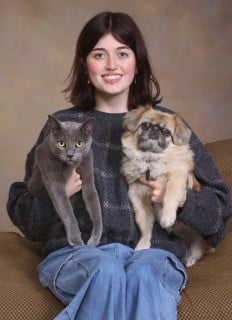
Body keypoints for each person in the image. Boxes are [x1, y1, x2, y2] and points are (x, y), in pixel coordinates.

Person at [7, 11, 232, 320]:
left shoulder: (166, 124)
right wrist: (55, 194)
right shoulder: (62, 127)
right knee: (107, 269)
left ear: (136, 64)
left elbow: (219, 213)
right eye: (100, 54)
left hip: (153, 256)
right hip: (79, 256)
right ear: (85, 65)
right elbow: (26, 218)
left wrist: (180, 198)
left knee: (144, 273)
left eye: (122, 53)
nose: (111, 65)